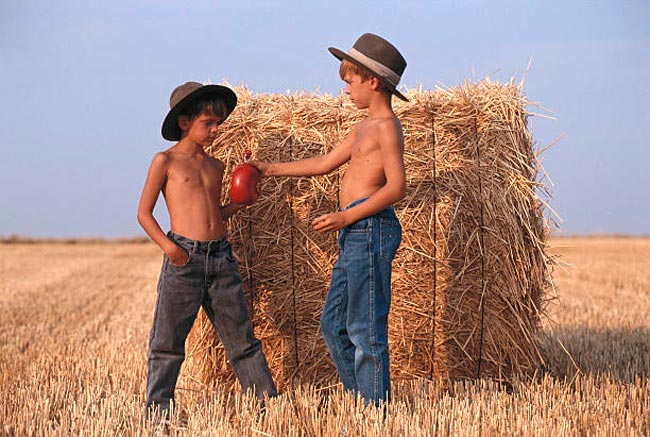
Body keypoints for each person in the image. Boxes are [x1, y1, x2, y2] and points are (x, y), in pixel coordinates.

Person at [251, 33, 407, 405]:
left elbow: (397, 187)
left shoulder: (387, 127)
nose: (346, 90)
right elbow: (323, 165)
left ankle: (375, 414)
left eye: (350, 82)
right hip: (354, 234)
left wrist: (346, 215)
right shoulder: (363, 126)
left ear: (373, 81)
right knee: (333, 326)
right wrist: (267, 168)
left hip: (370, 229)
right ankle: (364, 402)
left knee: (364, 328)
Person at [137, 81, 278, 424]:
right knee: (167, 344)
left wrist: (239, 205)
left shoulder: (215, 166)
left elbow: (215, 212)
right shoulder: (165, 160)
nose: (216, 130)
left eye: (218, 123)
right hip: (184, 258)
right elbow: (144, 213)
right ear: (185, 122)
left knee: (242, 340)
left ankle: (269, 411)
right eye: (208, 123)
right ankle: (159, 418)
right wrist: (171, 249)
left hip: (222, 258)